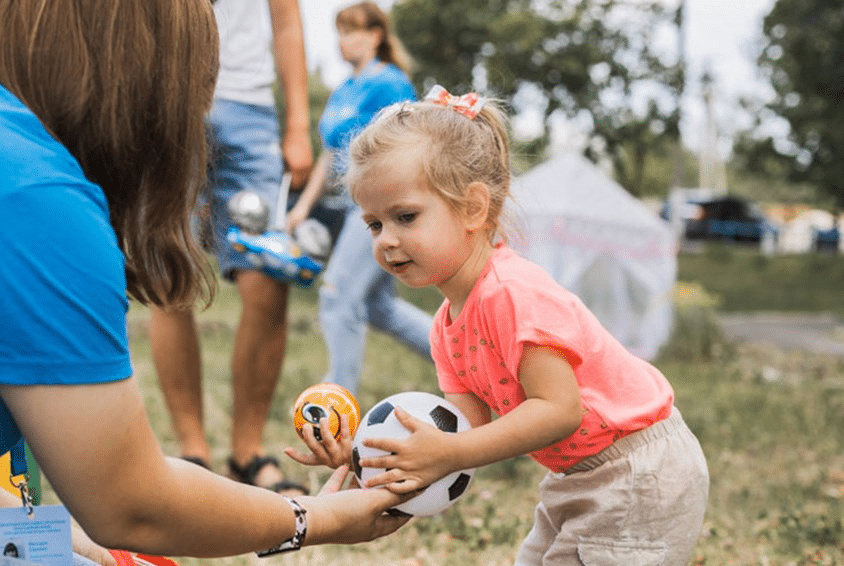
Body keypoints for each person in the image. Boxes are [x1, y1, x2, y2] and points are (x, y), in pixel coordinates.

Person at [0, 0, 409, 560]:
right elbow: (130, 506)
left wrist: (97, 551)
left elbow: (19, 517)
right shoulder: (37, 200)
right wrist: (317, 517)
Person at [293, 87, 710, 565]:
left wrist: (450, 453)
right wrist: (364, 456)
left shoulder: (512, 293)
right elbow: (463, 432)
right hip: (577, 475)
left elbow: (557, 411)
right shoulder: (447, 327)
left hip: (637, 471)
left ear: (473, 207)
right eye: (373, 224)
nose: (387, 241)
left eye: (405, 216)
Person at [147, 0, 314, 493]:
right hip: (163, 100)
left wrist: (299, 123)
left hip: (249, 107)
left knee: (270, 280)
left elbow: (286, 22)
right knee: (169, 280)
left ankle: (247, 453)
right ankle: (193, 453)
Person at [284, 1, 433, 395]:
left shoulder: (391, 83)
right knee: (377, 308)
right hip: (352, 205)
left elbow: (407, 145)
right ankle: (462, 354)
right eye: (339, 32)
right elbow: (330, 155)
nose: (342, 41)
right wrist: (301, 207)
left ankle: (337, 406)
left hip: (378, 209)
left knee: (337, 296)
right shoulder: (344, 90)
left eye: (351, 31)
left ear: (375, 35)